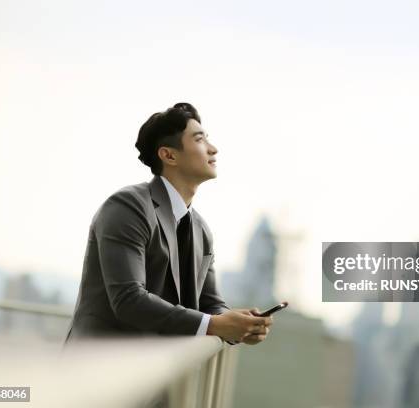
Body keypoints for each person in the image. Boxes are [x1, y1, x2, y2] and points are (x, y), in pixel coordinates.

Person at [64, 102, 272, 345]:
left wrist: (240, 324)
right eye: (199, 140)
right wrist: (216, 325)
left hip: (159, 372)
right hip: (100, 367)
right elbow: (129, 300)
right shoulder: (127, 207)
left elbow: (210, 303)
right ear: (169, 155)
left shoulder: (200, 230)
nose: (213, 149)